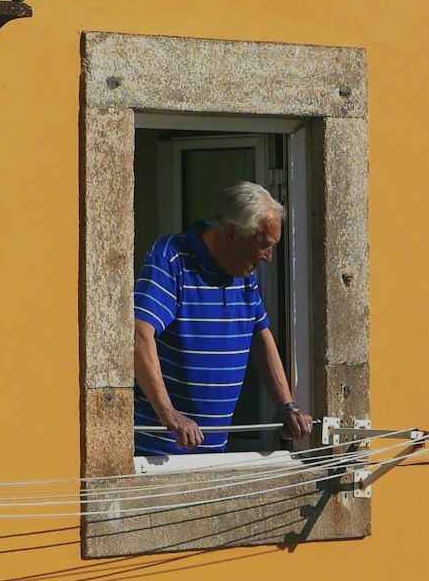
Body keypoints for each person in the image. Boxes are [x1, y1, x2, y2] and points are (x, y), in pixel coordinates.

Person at [133, 180, 314, 456]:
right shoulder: (172, 259)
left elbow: (260, 335)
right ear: (231, 234)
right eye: (263, 245)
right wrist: (169, 414)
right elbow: (138, 333)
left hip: (213, 454)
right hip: (159, 454)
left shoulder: (243, 274)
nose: (268, 257)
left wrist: (287, 406)